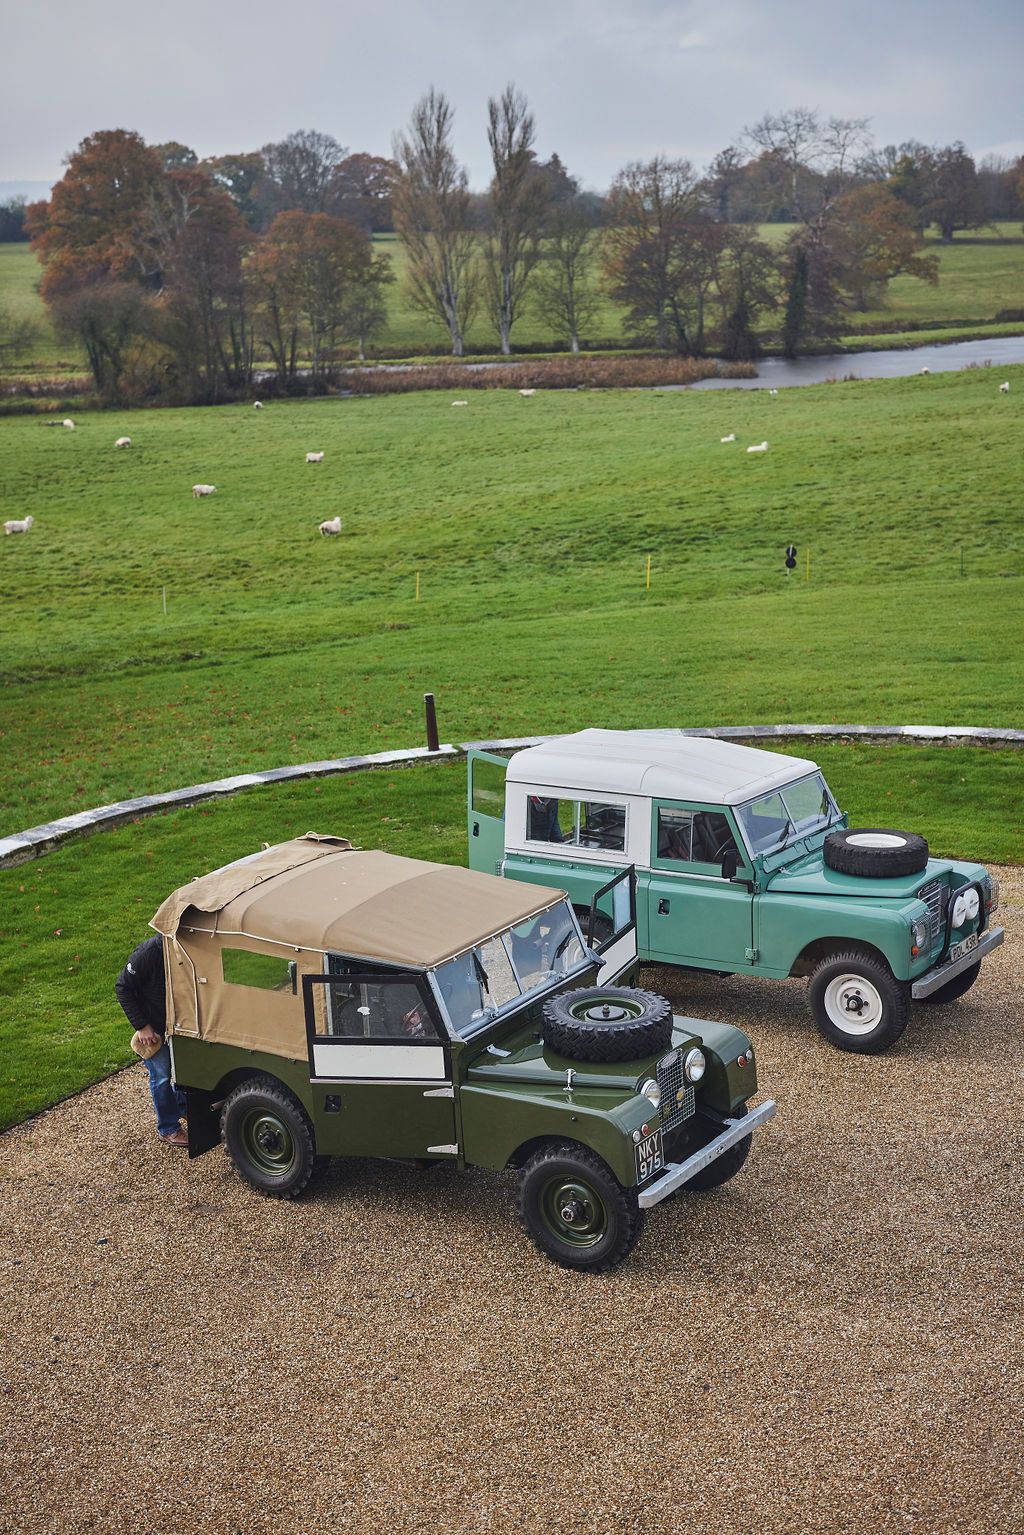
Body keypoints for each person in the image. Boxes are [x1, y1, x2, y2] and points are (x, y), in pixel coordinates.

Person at [115, 934, 187, 1147]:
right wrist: (142, 1026)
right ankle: (168, 1128)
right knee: (162, 1077)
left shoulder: (188, 947)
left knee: (186, 1069)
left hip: (180, 1023)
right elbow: (123, 988)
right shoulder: (148, 954)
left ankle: (182, 1106)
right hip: (154, 1028)